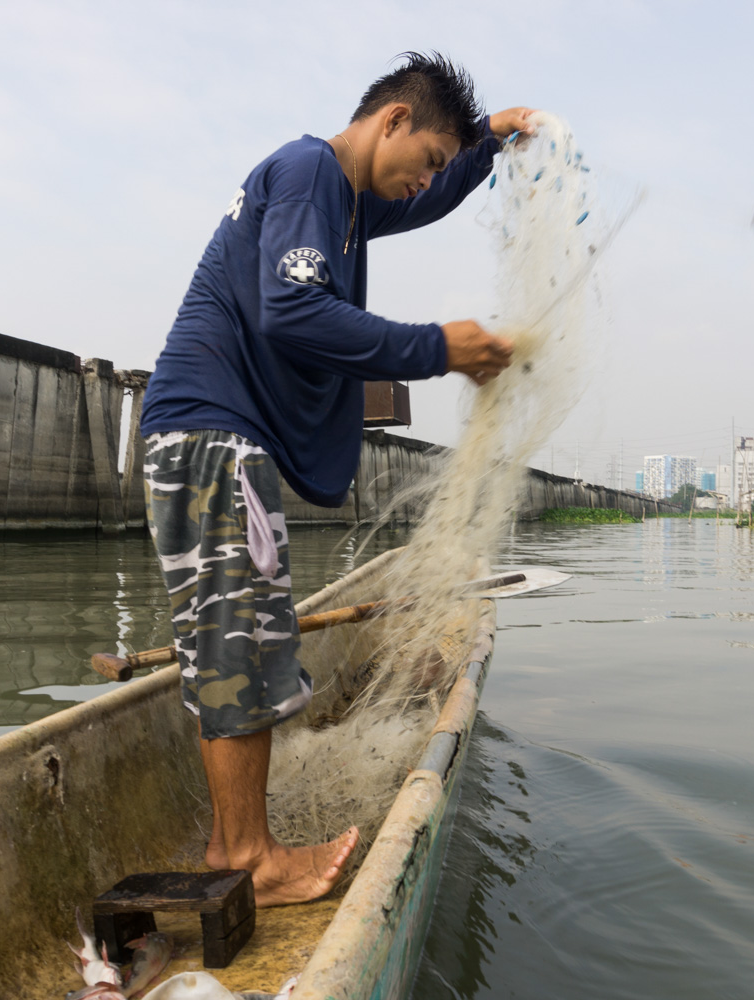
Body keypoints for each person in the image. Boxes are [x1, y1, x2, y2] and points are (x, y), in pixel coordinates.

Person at [138, 52, 530, 907]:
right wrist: (439, 349)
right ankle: (246, 856)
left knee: (246, 632)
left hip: (217, 438)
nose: (420, 182)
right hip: (208, 432)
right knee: (237, 640)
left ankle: (237, 845)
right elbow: (297, 311)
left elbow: (429, 197)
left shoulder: (346, 203)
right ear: (390, 119)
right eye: (423, 157)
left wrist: (487, 140)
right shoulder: (313, 170)